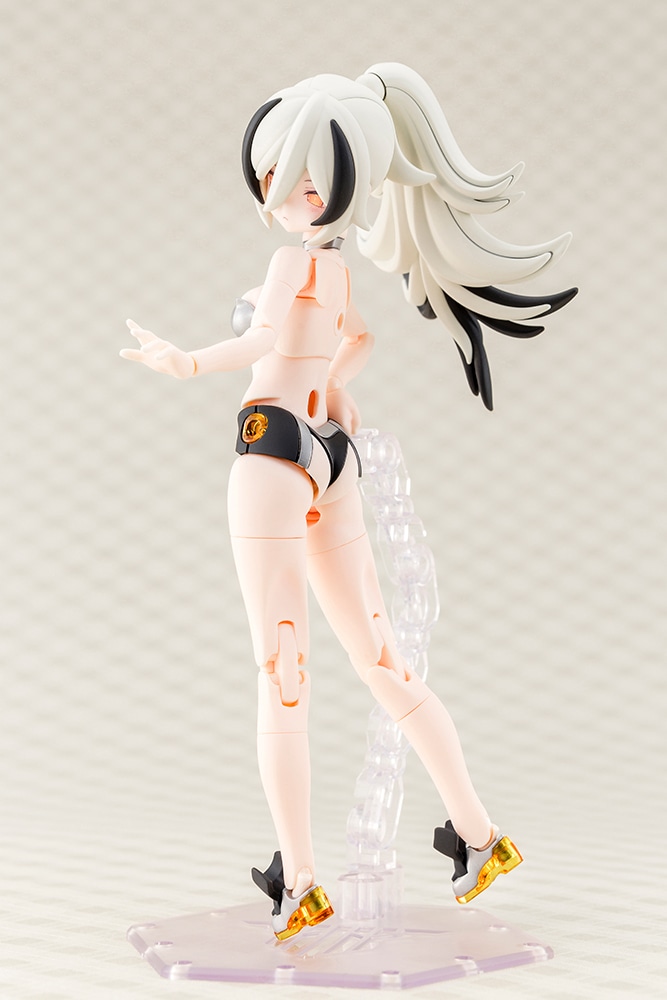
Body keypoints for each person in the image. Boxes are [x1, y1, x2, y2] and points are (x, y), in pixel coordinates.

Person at [121, 62, 576, 940]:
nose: (283, 190)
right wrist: (330, 384)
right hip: (330, 456)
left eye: (304, 177)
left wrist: (183, 362)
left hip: (273, 452)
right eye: (274, 172)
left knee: (284, 676)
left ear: (344, 183)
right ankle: (481, 836)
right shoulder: (334, 272)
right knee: (382, 662)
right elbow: (354, 340)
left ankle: (300, 883)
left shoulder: (290, 259)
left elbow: (262, 336)